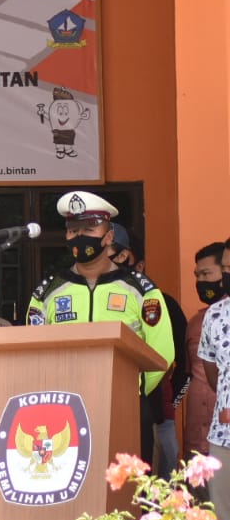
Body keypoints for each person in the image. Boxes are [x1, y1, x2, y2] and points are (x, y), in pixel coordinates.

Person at [25, 193, 174, 406]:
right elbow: (32, 351)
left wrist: (133, 391)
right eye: (73, 231)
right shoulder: (47, 291)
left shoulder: (140, 289)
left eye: (89, 230)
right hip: (64, 403)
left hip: (125, 402)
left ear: (109, 236)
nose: (80, 236)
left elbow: (162, 352)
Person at [108, 224, 187, 476]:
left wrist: (169, 404)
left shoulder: (162, 304)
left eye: (116, 256)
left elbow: (180, 363)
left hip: (153, 411)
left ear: (138, 265)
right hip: (98, 407)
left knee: (154, 480)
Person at [185, 242, 229, 459]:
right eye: (197, 275)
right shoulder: (196, 322)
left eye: (206, 273)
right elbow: (187, 375)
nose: (200, 281)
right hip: (199, 433)